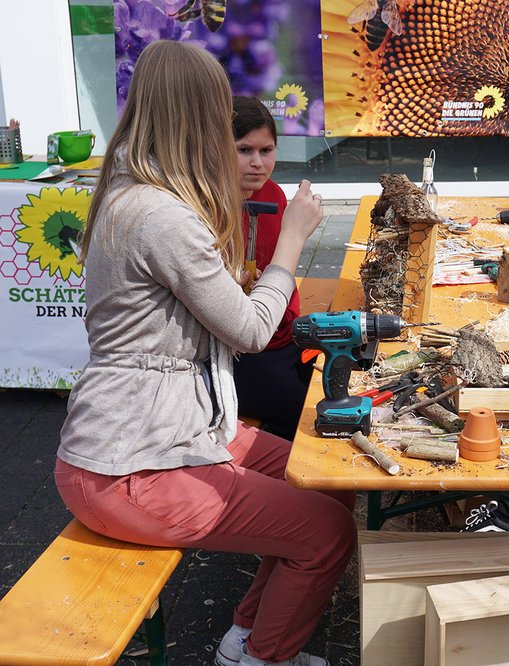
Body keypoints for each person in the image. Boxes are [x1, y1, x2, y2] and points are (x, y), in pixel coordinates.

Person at [54, 41, 356, 666]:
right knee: (326, 533)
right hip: (131, 466)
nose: (235, 144)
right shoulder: (160, 215)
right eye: (223, 119)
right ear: (199, 119)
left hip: (174, 430)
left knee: (329, 480)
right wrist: (291, 241)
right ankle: (264, 657)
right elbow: (251, 330)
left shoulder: (133, 193)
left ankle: (248, 639)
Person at [231, 95, 311, 441]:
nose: (257, 163)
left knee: (340, 369)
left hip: (283, 333)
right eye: (244, 150)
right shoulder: (208, 207)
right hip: (240, 352)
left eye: (266, 150)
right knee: (305, 409)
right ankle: (274, 448)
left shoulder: (274, 195)